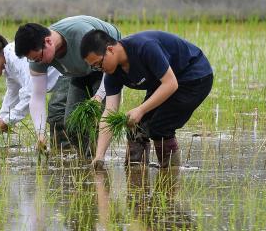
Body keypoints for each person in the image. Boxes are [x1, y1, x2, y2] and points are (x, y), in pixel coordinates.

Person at [80, 29, 213, 169]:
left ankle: (170, 172)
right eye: (94, 67)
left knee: (160, 126)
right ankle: (136, 173)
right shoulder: (112, 74)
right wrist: (99, 156)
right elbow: (109, 113)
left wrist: (141, 109)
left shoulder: (144, 47)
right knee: (135, 125)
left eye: (99, 63)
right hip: (162, 82)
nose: (99, 69)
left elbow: (171, 83)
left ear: (110, 50)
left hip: (194, 76)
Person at [13, 16, 121, 155]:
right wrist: (40, 133)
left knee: (98, 119)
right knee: (71, 125)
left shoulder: (82, 35)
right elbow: (38, 96)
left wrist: (99, 96)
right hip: (78, 72)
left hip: (106, 65)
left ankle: (97, 160)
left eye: (39, 57)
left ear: (48, 41)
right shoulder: (37, 58)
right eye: (33, 59)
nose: (38, 62)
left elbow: (110, 64)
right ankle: (85, 160)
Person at [0, 34, 61, 138]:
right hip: (60, 83)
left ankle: (66, 150)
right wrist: (0, 119)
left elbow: (31, 94)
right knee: (57, 114)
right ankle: (61, 150)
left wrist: (7, 121)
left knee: (57, 113)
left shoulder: (16, 57)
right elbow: (12, 93)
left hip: (66, 75)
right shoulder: (8, 65)